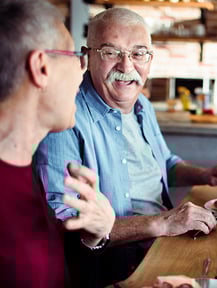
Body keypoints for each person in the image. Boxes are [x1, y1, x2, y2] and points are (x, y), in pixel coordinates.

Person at [32, 7, 217, 286]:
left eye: (138, 53)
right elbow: (68, 223)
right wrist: (161, 223)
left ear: (150, 59)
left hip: (165, 242)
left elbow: (165, 165)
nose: (126, 66)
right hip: (119, 266)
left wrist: (203, 175)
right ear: (87, 56)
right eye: (111, 52)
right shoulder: (65, 117)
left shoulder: (143, 105)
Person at [0, 0, 115, 287]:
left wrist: (93, 237)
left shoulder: (23, 167)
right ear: (41, 67)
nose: (83, 69)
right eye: (76, 55)